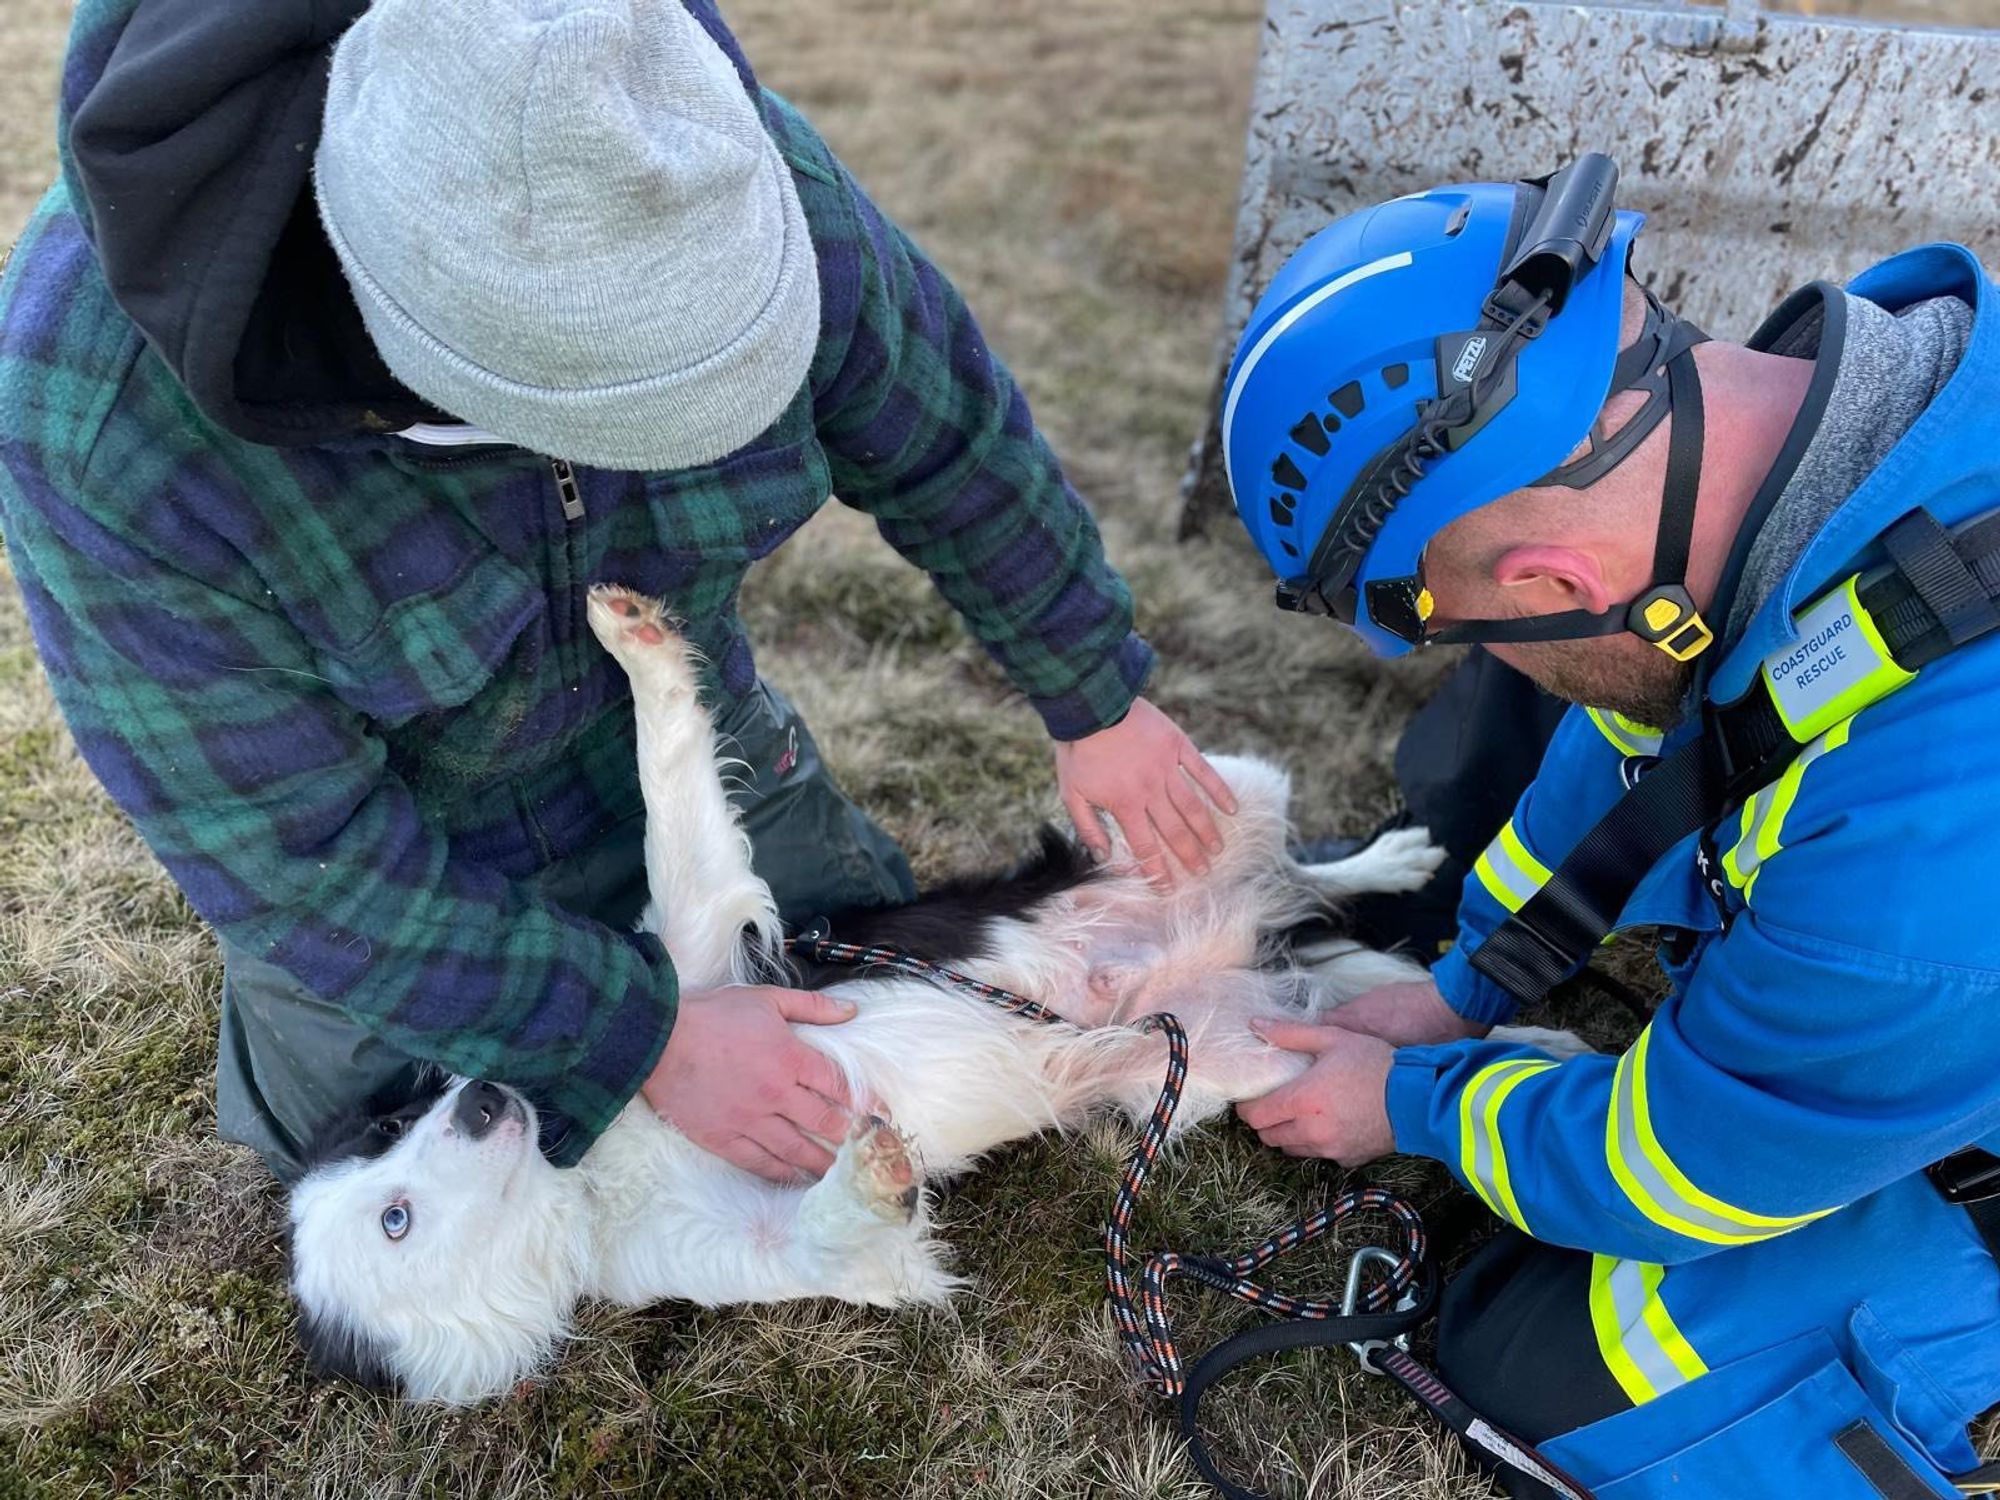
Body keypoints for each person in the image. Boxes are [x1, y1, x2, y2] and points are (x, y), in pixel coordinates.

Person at [0, 0, 1234, 1187]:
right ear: (432, 368)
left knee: (888, 1012)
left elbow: (942, 433)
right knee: (417, 1177)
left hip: (686, 741)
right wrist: (641, 1041)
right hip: (399, 847)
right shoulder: (103, 423)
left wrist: (1092, 695)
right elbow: (292, 858)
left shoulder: (698, 154)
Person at [1219, 157, 2000, 1497]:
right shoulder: (1836, 441)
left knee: (1560, 1364)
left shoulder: (1920, 847)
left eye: (1479, 634)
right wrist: (1470, 986)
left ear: (1551, 577)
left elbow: (1689, 1168)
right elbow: (1668, 731)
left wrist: (1408, 1106)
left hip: (1929, 953)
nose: (1497, 666)